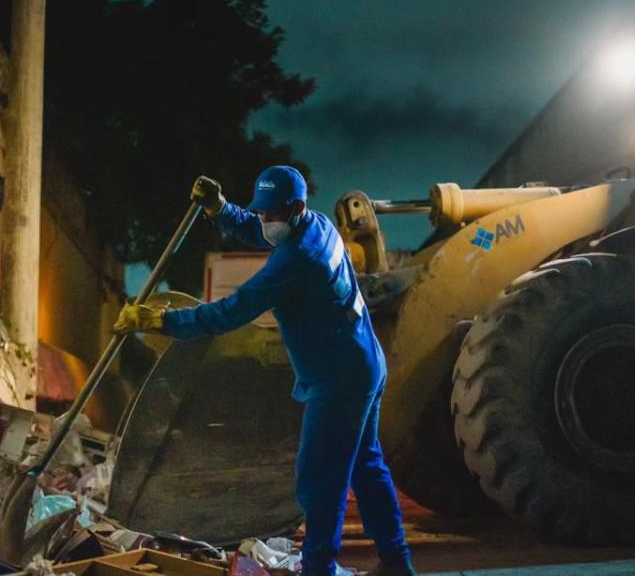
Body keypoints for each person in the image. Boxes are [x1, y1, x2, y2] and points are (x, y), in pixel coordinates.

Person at [113, 166, 414, 576]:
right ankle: (397, 563)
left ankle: (319, 571)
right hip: (362, 363)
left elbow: (230, 312)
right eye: (262, 213)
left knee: (318, 479)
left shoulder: (297, 261)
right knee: (366, 464)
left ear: (295, 207)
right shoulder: (317, 226)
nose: (266, 221)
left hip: (340, 378)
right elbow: (258, 232)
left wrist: (162, 322)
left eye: (272, 214)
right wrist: (220, 210)